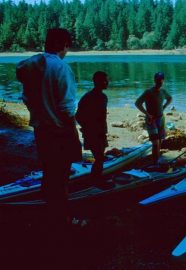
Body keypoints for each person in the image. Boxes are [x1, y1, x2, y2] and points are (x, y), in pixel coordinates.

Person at [16, 28, 81, 227]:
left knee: (48, 171)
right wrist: (73, 136)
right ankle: (64, 220)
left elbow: (25, 94)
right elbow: (67, 108)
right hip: (59, 130)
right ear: (64, 45)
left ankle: (50, 214)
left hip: (40, 129)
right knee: (61, 176)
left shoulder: (31, 65)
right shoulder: (61, 68)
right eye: (67, 46)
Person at [76, 71, 114, 189]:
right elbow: (78, 116)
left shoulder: (103, 97)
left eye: (107, 80)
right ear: (97, 82)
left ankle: (96, 180)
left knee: (100, 158)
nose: (107, 82)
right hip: (93, 133)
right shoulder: (88, 97)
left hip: (101, 132)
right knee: (99, 158)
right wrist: (86, 128)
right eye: (105, 80)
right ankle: (95, 182)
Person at [135, 72, 172, 165]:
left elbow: (170, 98)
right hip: (151, 120)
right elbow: (137, 103)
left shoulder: (163, 91)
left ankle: (157, 160)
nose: (160, 81)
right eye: (158, 79)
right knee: (155, 143)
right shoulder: (148, 92)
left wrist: (164, 107)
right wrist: (147, 114)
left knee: (159, 141)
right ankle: (155, 163)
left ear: (163, 80)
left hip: (161, 119)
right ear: (154, 80)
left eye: (161, 79)